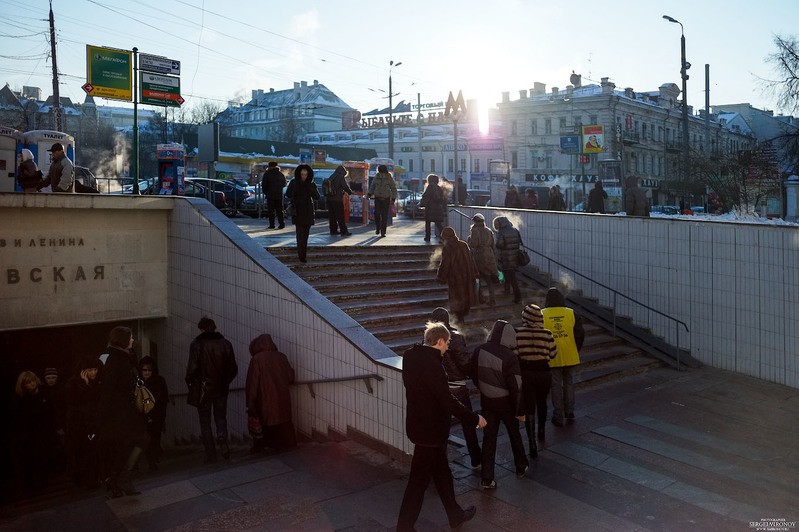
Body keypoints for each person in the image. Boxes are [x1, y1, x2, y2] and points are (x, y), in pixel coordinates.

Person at [396, 322, 486, 531]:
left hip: (419, 427)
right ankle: (404, 526)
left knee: (443, 474)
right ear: (440, 341)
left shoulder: (410, 357)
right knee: (418, 482)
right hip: (430, 432)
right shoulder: (433, 365)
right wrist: (473, 418)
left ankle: (455, 515)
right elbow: (446, 400)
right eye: (447, 345)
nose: (447, 350)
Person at [472, 320, 528, 488]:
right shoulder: (510, 356)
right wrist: (520, 410)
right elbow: (516, 387)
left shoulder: (479, 349)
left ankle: (487, 478)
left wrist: (483, 387)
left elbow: (474, 373)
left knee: (489, 439)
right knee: (514, 434)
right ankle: (520, 466)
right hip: (506, 404)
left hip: (487, 401)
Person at [96, 326, 149, 497]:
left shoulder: (120, 358)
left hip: (123, 412)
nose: (133, 340)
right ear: (123, 340)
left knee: (127, 445)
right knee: (137, 441)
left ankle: (116, 479)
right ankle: (120, 478)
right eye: (131, 337)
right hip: (120, 413)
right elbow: (109, 390)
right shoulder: (116, 361)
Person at [430, 307, 481, 468]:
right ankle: (476, 457)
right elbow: (464, 362)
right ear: (447, 319)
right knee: (467, 421)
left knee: (441, 424)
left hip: (438, 388)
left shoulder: (427, 338)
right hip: (458, 387)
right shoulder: (455, 337)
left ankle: (440, 460)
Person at [186, 316, 238, 464]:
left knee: (205, 421)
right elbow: (233, 368)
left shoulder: (196, 344)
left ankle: (211, 455)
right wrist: (224, 381)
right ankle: (222, 437)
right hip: (221, 389)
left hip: (203, 390)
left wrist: (191, 384)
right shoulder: (226, 344)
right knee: (221, 417)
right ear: (214, 327)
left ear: (201, 329)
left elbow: (191, 368)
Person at [516, 304, 557, 457]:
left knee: (529, 407)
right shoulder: (547, 333)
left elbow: (515, 353)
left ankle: (532, 444)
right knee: (542, 402)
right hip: (543, 373)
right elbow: (553, 353)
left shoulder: (518, 333)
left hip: (526, 373)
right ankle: (541, 431)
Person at [245, 334, 297, 452]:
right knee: (284, 421)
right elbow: (290, 377)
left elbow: (252, 384)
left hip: (265, 399)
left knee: (268, 422)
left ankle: (270, 446)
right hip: (283, 398)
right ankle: (288, 444)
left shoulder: (257, 359)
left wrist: (250, 403)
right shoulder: (282, 357)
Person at [542, 288, 585, 426]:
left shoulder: (542, 314)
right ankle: (570, 411)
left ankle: (558, 415)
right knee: (568, 383)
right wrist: (574, 349)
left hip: (552, 355)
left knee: (555, 385)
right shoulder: (571, 313)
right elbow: (580, 334)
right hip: (570, 354)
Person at [11, 371, 54, 491]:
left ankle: (44, 481)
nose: (32, 384)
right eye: (28, 382)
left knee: (45, 456)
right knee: (33, 458)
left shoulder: (44, 393)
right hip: (30, 433)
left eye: (33, 381)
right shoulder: (20, 399)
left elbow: (50, 412)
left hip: (44, 430)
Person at [65, 356, 102, 489]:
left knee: (92, 452)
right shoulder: (73, 384)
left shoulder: (97, 383)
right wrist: (85, 385)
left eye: (95, 370)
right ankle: (81, 480)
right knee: (80, 453)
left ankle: (92, 480)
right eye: (90, 370)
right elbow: (75, 402)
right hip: (78, 425)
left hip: (92, 424)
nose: (93, 373)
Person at [436, 227, 479, 322]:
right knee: (466, 296)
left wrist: (441, 277)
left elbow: (445, 264)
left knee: (457, 298)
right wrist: (475, 272)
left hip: (456, 278)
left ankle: (460, 319)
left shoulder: (448, 248)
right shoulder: (464, 244)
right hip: (467, 275)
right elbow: (471, 260)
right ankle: (463, 315)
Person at [138, 356, 169, 471]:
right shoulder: (138, 382)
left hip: (156, 416)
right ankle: (150, 460)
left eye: (149, 370)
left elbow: (163, 400)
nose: (146, 372)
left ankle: (152, 460)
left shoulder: (159, 381)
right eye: (144, 370)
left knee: (154, 438)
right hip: (142, 417)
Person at [285, 164, 320, 263]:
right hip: (298, 212)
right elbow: (287, 194)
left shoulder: (311, 184)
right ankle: (302, 256)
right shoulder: (294, 182)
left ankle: (302, 255)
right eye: (302, 174)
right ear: (298, 174)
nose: (304, 176)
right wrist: (294, 194)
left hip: (308, 212)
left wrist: (311, 188)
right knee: (300, 235)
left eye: (305, 174)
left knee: (305, 236)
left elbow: (317, 196)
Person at [468, 213, 497, 306]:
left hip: (479, 256)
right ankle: (492, 300)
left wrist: (469, 240)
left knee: (477, 279)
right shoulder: (489, 230)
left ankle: (479, 298)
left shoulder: (475, 231)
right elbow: (493, 244)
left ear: (475, 221)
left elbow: (474, 244)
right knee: (489, 279)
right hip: (489, 255)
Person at [493, 216, 523, 303]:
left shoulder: (502, 232)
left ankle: (518, 297)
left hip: (506, 257)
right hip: (514, 257)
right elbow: (519, 242)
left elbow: (499, 245)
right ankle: (507, 290)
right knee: (508, 275)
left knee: (512, 278)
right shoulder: (515, 230)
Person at [367, 164, 397, 238]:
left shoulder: (389, 177)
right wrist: (369, 194)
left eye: (382, 172)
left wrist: (393, 198)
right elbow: (373, 186)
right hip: (377, 198)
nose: (381, 174)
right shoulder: (376, 177)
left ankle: (383, 232)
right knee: (377, 214)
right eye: (380, 172)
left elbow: (393, 188)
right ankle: (378, 227)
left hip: (386, 198)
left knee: (384, 216)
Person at [326, 165, 353, 236]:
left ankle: (333, 230)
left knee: (332, 216)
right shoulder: (341, 177)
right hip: (337, 200)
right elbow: (345, 186)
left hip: (329, 199)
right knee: (340, 216)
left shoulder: (332, 176)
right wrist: (350, 192)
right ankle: (344, 231)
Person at [420, 173, 446, 242]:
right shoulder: (439, 188)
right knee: (438, 224)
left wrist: (422, 204)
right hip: (438, 208)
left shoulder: (429, 187)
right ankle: (444, 237)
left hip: (430, 208)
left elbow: (425, 196)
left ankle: (427, 237)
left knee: (428, 223)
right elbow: (442, 199)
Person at [261, 161, 286, 229]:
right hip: (279, 195)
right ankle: (282, 224)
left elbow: (264, 185)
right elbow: (284, 183)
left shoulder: (267, 174)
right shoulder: (280, 174)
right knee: (280, 210)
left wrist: (266, 192)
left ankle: (272, 225)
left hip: (270, 195)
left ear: (269, 167)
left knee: (271, 211)